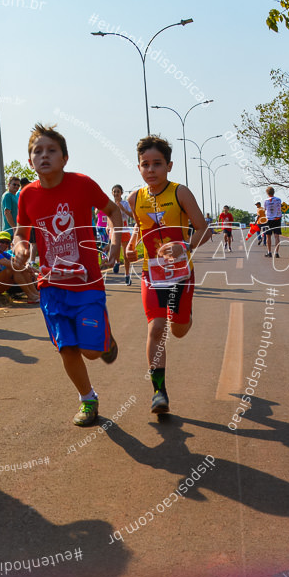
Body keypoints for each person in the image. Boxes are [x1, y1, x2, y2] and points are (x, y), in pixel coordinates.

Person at [12, 124, 122, 427]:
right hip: (51, 286)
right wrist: (21, 249)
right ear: (30, 160)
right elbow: (21, 235)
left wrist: (115, 243)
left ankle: (104, 341)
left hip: (87, 283)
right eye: (37, 151)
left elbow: (114, 213)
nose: (44, 156)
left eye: (51, 151)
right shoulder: (26, 196)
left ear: (65, 158)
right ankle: (88, 399)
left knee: (90, 350)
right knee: (67, 347)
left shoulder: (82, 184)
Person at [126, 136, 210, 415]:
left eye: (157, 164)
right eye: (145, 164)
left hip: (181, 275)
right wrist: (129, 247)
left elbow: (203, 230)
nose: (151, 170)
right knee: (156, 327)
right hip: (152, 274)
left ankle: (185, 316)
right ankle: (158, 392)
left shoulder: (180, 193)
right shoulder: (134, 198)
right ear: (139, 168)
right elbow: (139, 229)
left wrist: (184, 245)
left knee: (178, 328)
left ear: (169, 166)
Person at [0, 231, 39, 302]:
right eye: (2, 241)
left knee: (21, 268)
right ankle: (31, 295)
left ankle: (35, 294)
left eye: (7, 242)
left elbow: (19, 263)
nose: (4, 244)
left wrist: (30, 268)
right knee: (13, 269)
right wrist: (27, 269)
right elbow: (13, 266)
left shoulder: (4, 253)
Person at [109, 184, 134, 285]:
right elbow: (109, 216)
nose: (116, 193)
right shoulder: (110, 204)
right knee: (115, 250)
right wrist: (108, 226)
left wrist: (122, 208)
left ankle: (127, 275)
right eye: (114, 192)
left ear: (121, 193)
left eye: (118, 192)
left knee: (125, 254)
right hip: (114, 231)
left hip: (124, 230)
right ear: (112, 193)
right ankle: (117, 262)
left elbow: (131, 215)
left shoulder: (125, 203)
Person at [263, 187, 284, 258]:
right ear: (273, 192)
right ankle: (277, 253)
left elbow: (265, 209)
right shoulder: (278, 200)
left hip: (269, 219)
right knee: (276, 236)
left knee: (268, 236)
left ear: (267, 193)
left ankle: (269, 252)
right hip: (277, 219)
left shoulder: (266, 200)